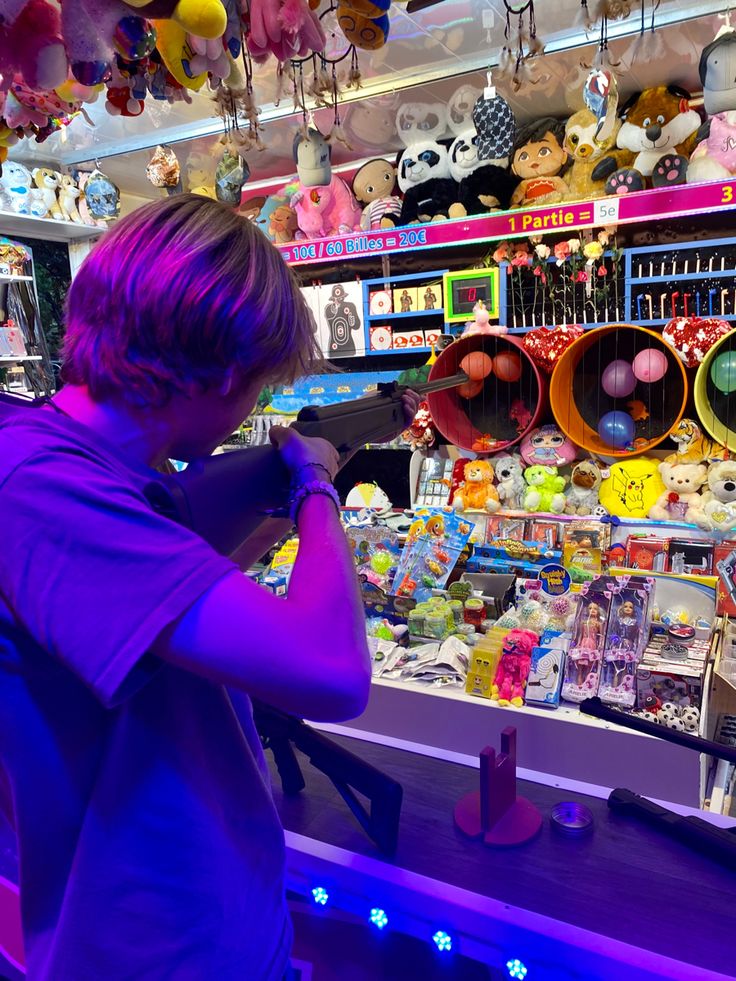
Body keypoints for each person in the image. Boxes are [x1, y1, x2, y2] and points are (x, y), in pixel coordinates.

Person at [0, 194, 417, 981]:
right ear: (223, 371)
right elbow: (331, 673)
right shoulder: (40, 488)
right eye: (258, 382)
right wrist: (315, 490)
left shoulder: (99, 468)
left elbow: (174, 564)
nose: (254, 404)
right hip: (149, 947)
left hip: (207, 923)